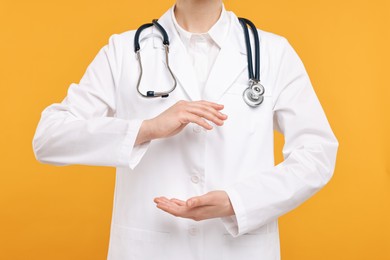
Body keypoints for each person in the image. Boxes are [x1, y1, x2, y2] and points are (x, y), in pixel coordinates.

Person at [32, 0, 339, 259]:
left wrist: (238, 202)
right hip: (149, 248)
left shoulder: (274, 53)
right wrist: (147, 128)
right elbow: (49, 138)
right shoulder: (123, 51)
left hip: (237, 248)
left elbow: (317, 154)